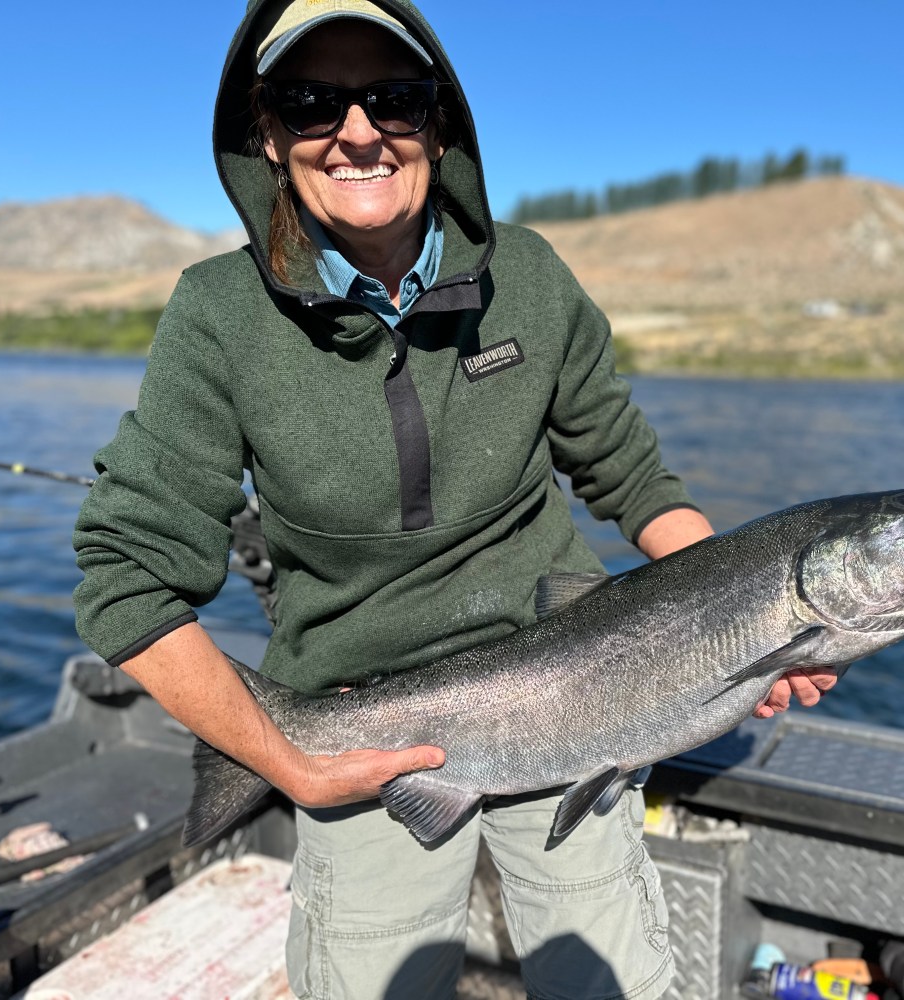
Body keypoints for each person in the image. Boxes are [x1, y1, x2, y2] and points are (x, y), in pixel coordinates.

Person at [72, 2, 834, 997]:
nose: (356, 131)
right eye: (310, 102)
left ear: (439, 122)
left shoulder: (529, 276)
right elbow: (126, 580)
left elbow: (630, 476)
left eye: (394, 97)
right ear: (265, 133)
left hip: (577, 689)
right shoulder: (218, 316)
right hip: (352, 722)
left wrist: (750, 617)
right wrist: (283, 757)